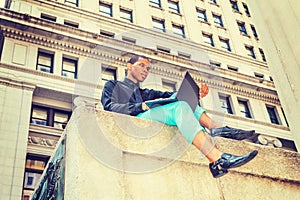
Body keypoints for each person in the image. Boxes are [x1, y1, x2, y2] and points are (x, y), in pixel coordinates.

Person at [101, 55, 258, 178]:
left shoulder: (146, 92)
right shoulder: (113, 85)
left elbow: (173, 95)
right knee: (180, 106)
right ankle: (217, 159)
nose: (145, 70)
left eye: (148, 68)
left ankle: (217, 129)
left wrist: (196, 93)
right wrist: (140, 106)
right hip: (135, 119)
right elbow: (109, 107)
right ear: (129, 66)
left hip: (150, 115)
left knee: (183, 99)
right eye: (141, 65)